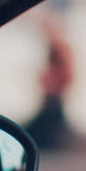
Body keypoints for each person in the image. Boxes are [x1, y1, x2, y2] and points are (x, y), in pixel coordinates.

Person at [25, 10, 75, 150]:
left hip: (53, 99)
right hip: (53, 99)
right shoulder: (60, 48)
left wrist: (49, 82)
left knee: (43, 130)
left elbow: (65, 75)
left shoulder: (60, 48)